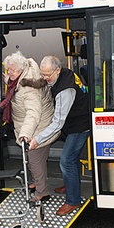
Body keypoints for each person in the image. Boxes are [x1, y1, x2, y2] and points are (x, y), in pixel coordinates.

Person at [29, 55, 90, 216]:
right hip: (76, 121)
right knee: (72, 158)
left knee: (66, 161)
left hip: (80, 125)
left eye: (48, 75)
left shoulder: (65, 90)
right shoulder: (64, 74)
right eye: (43, 74)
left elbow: (57, 123)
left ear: (57, 70)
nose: (45, 78)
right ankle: (71, 184)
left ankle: (73, 200)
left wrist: (38, 139)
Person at [0, 51, 60, 202]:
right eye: (8, 70)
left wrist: (25, 135)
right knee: (33, 159)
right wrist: (6, 78)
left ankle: (42, 192)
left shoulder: (29, 89)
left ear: (21, 70)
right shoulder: (22, 78)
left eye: (12, 70)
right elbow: (15, 84)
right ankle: (38, 184)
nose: (9, 72)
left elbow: (33, 113)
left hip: (39, 127)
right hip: (34, 125)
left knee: (34, 160)